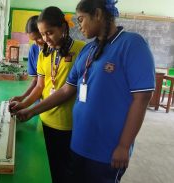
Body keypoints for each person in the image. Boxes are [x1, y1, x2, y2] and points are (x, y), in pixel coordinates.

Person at [15, 0, 155, 182]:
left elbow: (142, 98)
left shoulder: (131, 44)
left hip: (106, 149)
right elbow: (66, 90)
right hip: (78, 143)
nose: (79, 26)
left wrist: (123, 145)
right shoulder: (88, 50)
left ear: (97, 14)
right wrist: (30, 111)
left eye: (81, 19)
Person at [10, 6, 86, 183]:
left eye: (49, 33)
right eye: (43, 34)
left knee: (64, 172)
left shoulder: (82, 50)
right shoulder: (44, 54)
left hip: (68, 125)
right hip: (44, 121)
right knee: (45, 170)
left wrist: (31, 110)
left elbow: (68, 91)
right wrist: (23, 104)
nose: (46, 39)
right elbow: (39, 87)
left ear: (63, 27)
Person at [10, 15, 45, 102]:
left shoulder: (57, 51)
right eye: (33, 40)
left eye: (39, 38)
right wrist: (23, 97)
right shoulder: (34, 49)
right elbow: (36, 80)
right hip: (38, 97)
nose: (36, 43)